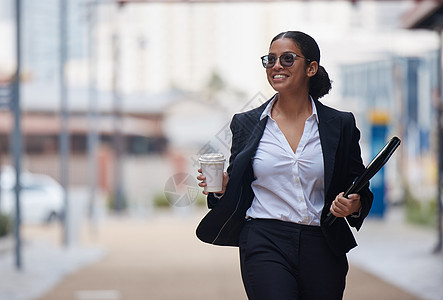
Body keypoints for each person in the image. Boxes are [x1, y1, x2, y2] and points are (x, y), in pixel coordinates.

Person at [196, 31, 373, 300]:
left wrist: (354, 204)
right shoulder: (245, 123)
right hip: (264, 238)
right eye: (270, 59)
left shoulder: (341, 124)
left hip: (322, 242)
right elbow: (237, 182)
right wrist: (222, 187)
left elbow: (359, 185)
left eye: (288, 59)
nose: (276, 65)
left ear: (311, 68)